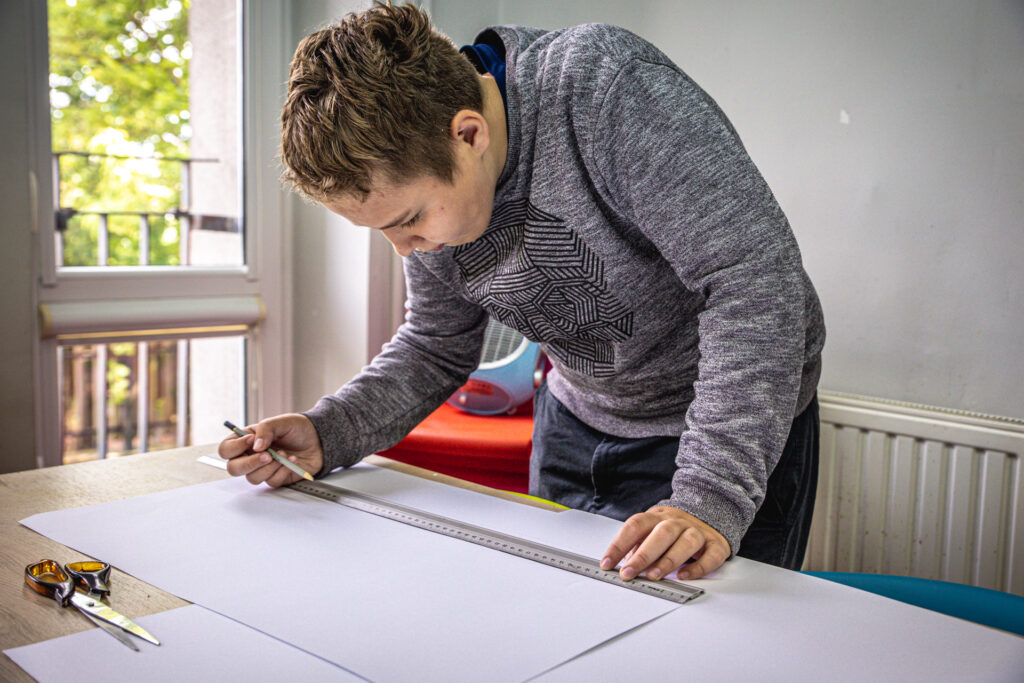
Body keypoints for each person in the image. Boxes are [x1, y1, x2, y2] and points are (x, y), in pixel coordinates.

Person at [219, 1, 825, 583]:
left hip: (721, 431)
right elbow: (435, 346)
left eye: (409, 220)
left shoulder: (605, 88)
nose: (404, 248)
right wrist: (329, 432)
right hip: (575, 418)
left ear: (469, 134)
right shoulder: (428, 184)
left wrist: (709, 496)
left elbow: (752, 282)